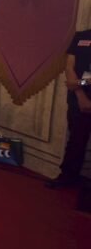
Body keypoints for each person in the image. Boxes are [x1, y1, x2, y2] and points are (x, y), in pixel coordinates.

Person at [47, 28, 91, 188]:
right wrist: (80, 94)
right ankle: (68, 176)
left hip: (80, 86)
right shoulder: (81, 36)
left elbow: (78, 82)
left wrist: (80, 83)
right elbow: (69, 67)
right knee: (76, 139)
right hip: (78, 98)